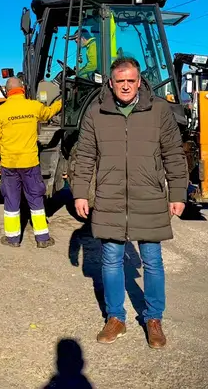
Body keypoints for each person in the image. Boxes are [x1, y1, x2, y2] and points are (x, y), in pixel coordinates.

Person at [69, 57, 188, 348]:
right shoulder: (96, 112)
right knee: (110, 260)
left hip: (148, 195)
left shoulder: (159, 110)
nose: (125, 86)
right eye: (120, 81)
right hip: (109, 196)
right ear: (111, 83)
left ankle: (154, 319)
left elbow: (174, 152)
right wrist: (81, 192)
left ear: (139, 81)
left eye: (130, 81)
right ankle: (115, 318)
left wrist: (178, 193)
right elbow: (84, 155)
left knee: (152, 261)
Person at [0, 77, 62, 248]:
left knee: (11, 200)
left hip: (9, 164)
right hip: (30, 162)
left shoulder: (1, 110)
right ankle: (42, 238)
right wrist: (61, 103)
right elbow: (49, 112)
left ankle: (13, 239)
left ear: (7, 91)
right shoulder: (33, 106)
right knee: (36, 198)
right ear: (22, 89)